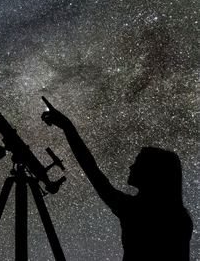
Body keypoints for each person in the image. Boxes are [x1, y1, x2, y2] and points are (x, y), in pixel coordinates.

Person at [41, 101, 193, 260]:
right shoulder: (178, 217)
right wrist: (67, 126)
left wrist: (68, 127)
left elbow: (91, 170)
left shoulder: (134, 210)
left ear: (152, 173)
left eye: (138, 163)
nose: (131, 167)